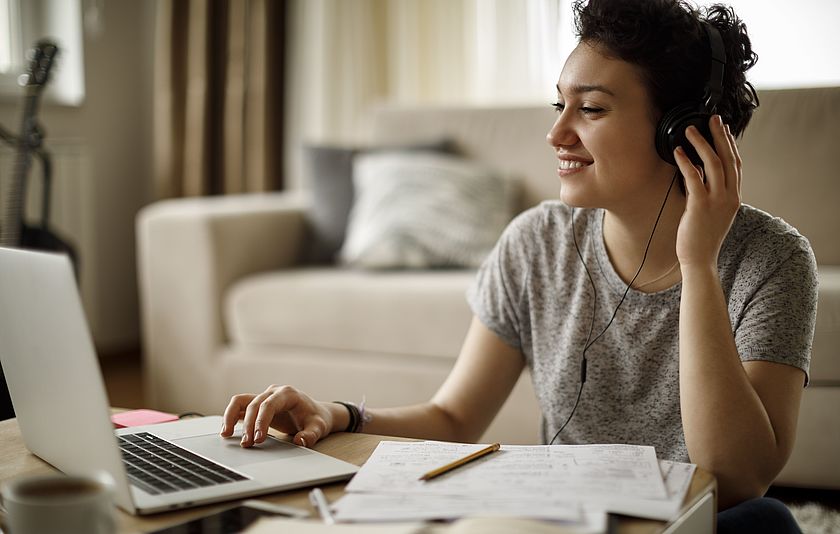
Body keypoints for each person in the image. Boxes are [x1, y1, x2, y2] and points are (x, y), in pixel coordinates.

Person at [220, 1, 816, 531]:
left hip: (688, 522)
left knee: (764, 524)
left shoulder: (772, 259)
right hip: (566, 518)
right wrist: (340, 414)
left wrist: (700, 264)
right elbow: (454, 416)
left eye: (592, 109)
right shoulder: (536, 242)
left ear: (679, 133)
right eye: (561, 104)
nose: (557, 132)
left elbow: (734, 479)